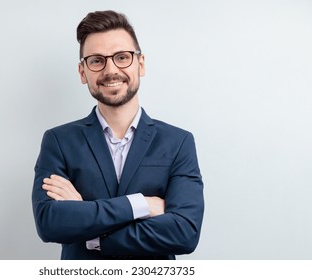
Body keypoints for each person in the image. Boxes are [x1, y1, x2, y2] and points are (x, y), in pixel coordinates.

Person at [32, 10, 204, 260]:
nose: (111, 70)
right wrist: (141, 204)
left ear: (140, 64)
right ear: (83, 72)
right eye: (96, 60)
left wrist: (88, 226)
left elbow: (185, 232)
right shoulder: (59, 141)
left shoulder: (178, 143)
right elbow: (50, 223)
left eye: (122, 57)